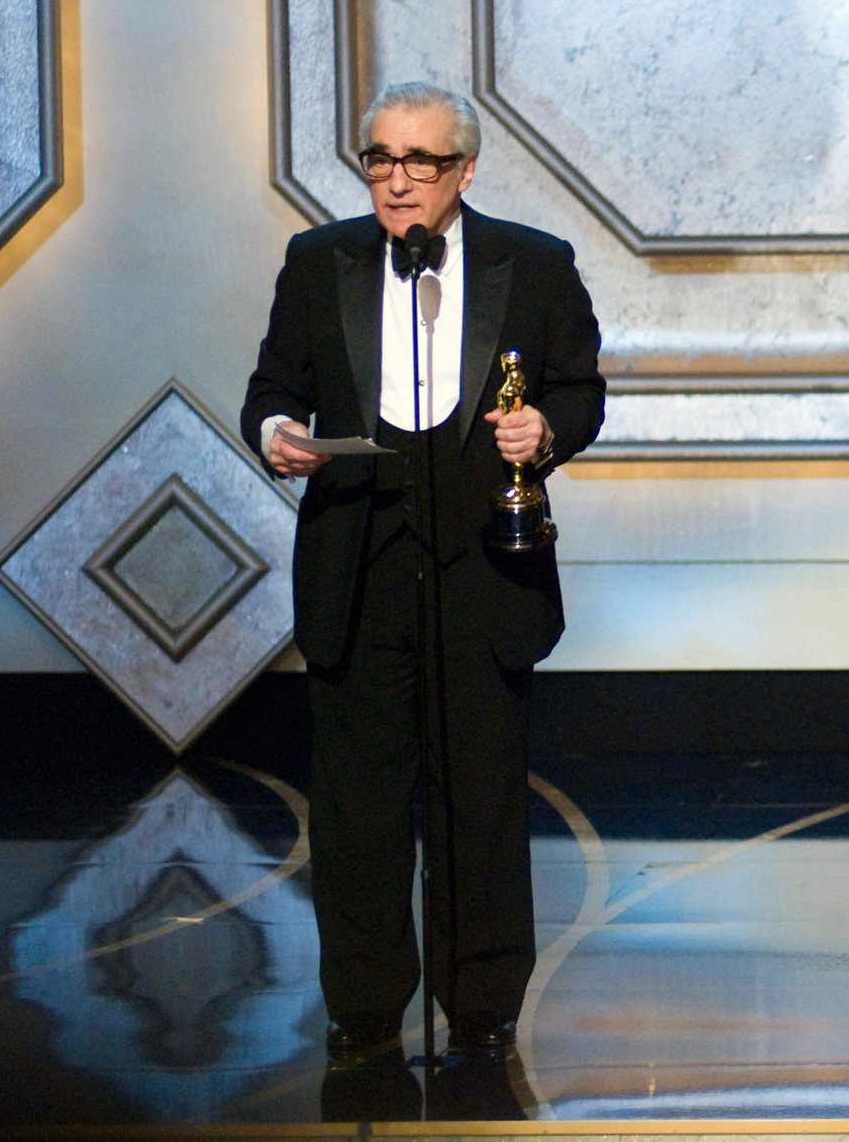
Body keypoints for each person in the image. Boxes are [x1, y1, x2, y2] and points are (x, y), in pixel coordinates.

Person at [241, 82, 605, 1061]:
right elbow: (272, 387)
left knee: (478, 802)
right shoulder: (319, 263)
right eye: (380, 160)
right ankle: (363, 1012)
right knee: (358, 810)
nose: (397, 180)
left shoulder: (532, 263)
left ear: (464, 170)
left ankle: (480, 1008)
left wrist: (547, 428)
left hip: (485, 570)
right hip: (358, 566)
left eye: (420, 162)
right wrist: (277, 434)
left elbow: (580, 389)